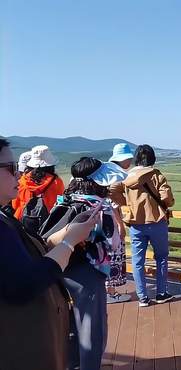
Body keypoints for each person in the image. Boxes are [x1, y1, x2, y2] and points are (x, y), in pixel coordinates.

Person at [0, 138, 101, 370]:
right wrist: (69, 243)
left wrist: (68, 232)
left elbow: (30, 249)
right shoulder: (55, 182)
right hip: (21, 349)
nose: (18, 175)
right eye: (11, 168)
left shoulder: (7, 215)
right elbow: (24, 285)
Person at [41, 157, 127, 370]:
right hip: (89, 272)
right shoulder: (99, 206)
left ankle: (71, 365)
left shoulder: (64, 200)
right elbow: (113, 242)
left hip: (61, 266)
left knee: (69, 324)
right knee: (91, 327)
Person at [110, 144, 175, 307]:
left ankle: (143, 298)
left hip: (135, 224)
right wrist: (168, 203)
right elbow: (166, 196)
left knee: (138, 261)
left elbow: (112, 190)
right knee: (161, 258)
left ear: (136, 158)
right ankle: (161, 293)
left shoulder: (127, 177)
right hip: (156, 221)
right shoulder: (156, 175)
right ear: (152, 158)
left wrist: (129, 203)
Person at [105, 142, 135, 304]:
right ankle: (111, 292)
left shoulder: (106, 170)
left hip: (99, 220)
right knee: (114, 255)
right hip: (110, 221)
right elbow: (112, 203)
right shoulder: (116, 175)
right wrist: (120, 225)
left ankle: (106, 291)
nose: (130, 161)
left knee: (103, 255)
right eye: (128, 158)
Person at [12, 145, 65, 228]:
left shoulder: (22, 180)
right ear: (50, 164)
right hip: (47, 223)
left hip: (21, 221)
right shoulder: (56, 181)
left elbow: (14, 204)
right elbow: (60, 203)